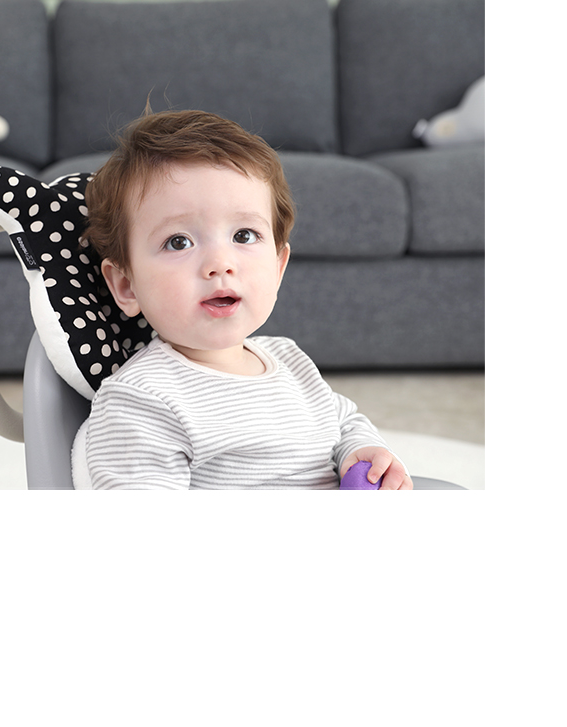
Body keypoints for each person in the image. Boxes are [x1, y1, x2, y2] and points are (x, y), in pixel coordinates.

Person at [74, 106, 413, 490]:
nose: (220, 263)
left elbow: (341, 421)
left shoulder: (289, 360)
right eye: (179, 242)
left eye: (243, 236)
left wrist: (362, 451)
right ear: (126, 285)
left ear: (278, 266)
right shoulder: (142, 400)